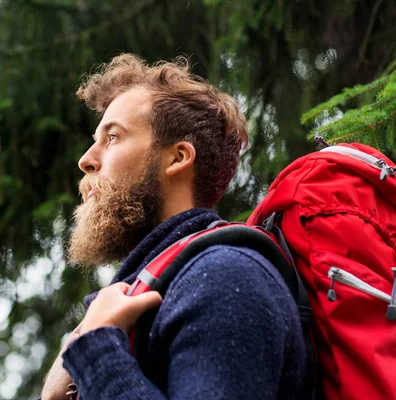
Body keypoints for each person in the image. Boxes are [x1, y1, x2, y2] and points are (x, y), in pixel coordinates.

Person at [40, 54, 306, 400]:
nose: (86, 159)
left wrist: (96, 351)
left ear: (178, 158)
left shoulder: (225, 277)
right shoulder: (146, 292)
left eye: (113, 137)